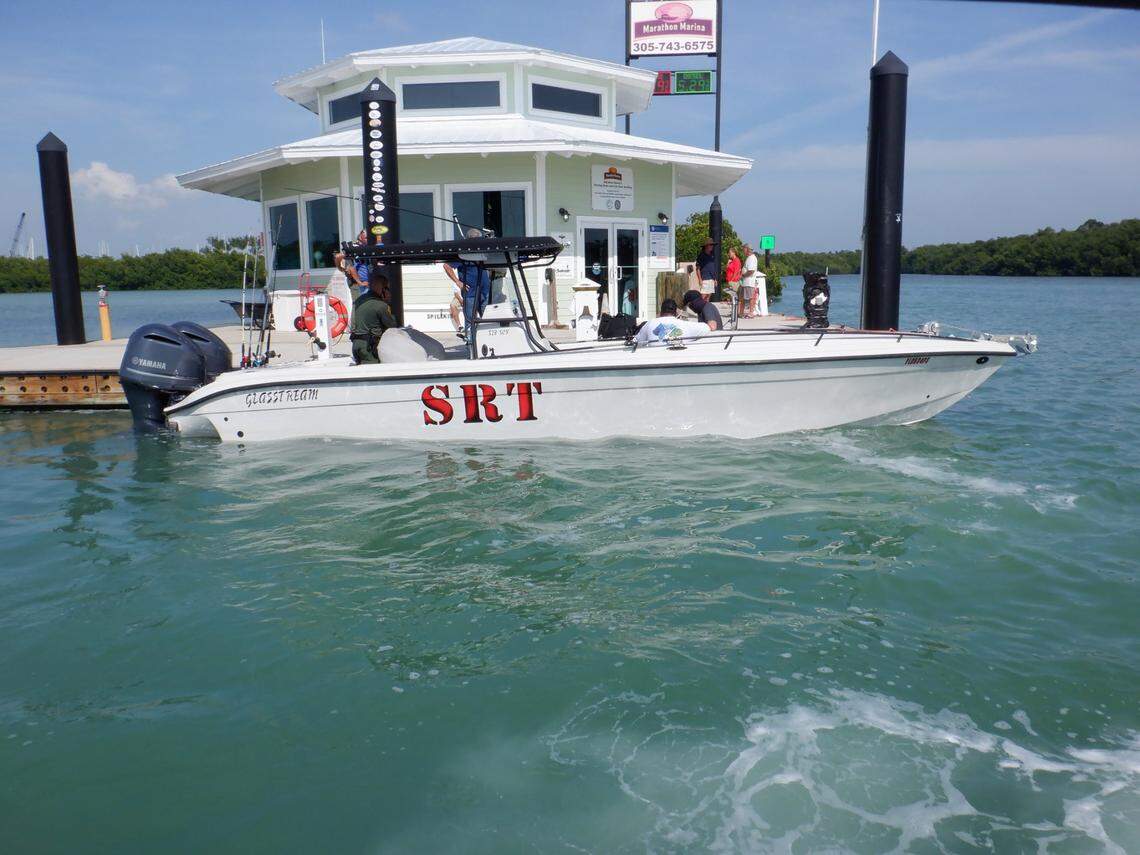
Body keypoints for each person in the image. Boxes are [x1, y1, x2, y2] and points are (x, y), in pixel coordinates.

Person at [444, 228, 491, 338]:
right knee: (470, 321)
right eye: (476, 240)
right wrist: (458, 282)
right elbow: (447, 266)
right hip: (470, 293)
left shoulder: (482, 251)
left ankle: (486, 341)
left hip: (485, 291)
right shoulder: (462, 254)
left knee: (488, 319)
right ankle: (471, 345)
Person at [349, 268, 399, 364]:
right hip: (369, 347)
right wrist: (388, 303)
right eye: (387, 288)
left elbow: (353, 323)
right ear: (382, 289)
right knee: (373, 373)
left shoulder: (360, 300)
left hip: (356, 344)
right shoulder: (381, 305)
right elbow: (392, 327)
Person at [633, 298, 711, 346]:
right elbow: (707, 328)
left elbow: (637, 341)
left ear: (661, 311)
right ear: (676, 312)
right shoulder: (685, 325)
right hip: (678, 363)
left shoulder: (650, 323)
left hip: (656, 364)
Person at [740, 244, 758, 319]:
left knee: (750, 298)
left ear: (747, 249)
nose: (743, 251)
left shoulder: (751, 258)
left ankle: (751, 313)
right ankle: (741, 312)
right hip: (746, 282)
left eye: (744, 249)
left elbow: (751, 271)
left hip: (749, 282)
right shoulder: (749, 258)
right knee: (743, 298)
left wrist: (743, 275)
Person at [724, 247, 742, 315]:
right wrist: (728, 263)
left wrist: (732, 280)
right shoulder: (731, 261)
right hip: (730, 280)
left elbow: (736, 271)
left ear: (734, 253)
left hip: (734, 281)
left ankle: (736, 313)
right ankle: (734, 312)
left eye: (730, 253)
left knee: (735, 298)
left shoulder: (737, 260)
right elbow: (727, 270)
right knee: (732, 298)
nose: (729, 254)